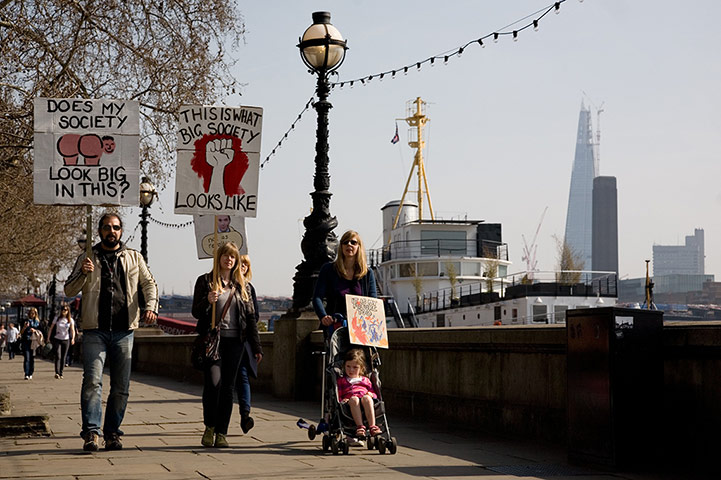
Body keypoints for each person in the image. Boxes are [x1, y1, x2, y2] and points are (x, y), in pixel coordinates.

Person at [65, 212, 158, 452]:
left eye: (116, 227)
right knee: (92, 382)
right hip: (95, 330)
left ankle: (113, 433)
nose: (111, 231)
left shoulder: (134, 257)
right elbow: (68, 290)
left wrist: (151, 307)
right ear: (99, 231)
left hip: (123, 330)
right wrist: (82, 273)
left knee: (121, 386)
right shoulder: (87, 258)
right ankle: (92, 433)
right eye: (107, 227)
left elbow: (148, 283)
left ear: (121, 231)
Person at [192, 242, 262, 448]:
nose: (229, 260)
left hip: (236, 342)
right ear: (219, 258)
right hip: (214, 340)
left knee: (228, 388)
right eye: (225, 256)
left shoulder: (243, 286)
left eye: (233, 257)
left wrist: (256, 347)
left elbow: (250, 318)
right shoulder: (205, 281)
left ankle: (222, 432)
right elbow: (196, 312)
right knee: (213, 384)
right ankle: (209, 427)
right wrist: (208, 300)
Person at [313, 230, 378, 333]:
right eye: (345, 242)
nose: (349, 245)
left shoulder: (367, 273)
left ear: (359, 247)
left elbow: (373, 302)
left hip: (360, 329)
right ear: (341, 246)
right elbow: (317, 297)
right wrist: (323, 316)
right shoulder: (329, 270)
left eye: (353, 242)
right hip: (335, 327)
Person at [235, 254, 261, 434]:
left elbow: (254, 318)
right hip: (225, 340)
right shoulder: (224, 285)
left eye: (246, 264)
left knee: (243, 377)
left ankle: (245, 414)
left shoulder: (249, 289)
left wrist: (256, 347)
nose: (243, 267)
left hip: (243, 342)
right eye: (240, 263)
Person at [337, 348, 381, 438]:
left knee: (367, 398)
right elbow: (338, 393)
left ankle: (372, 426)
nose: (351, 370)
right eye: (348, 367)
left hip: (364, 399)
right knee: (354, 399)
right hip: (350, 401)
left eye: (355, 367)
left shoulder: (365, 380)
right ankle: (360, 426)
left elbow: (374, 393)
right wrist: (342, 400)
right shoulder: (342, 381)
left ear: (361, 368)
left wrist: (370, 394)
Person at [48, 305, 76, 379]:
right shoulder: (57, 319)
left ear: (68, 311)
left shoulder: (70, 320)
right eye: (63, 309)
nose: (64, 311)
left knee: (64, 357)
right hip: (57, 338)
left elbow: (72, 330)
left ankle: (61, 372)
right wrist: (48, 338)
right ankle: (57, 372)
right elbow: (51, 328)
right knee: (58, 355)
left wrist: (73, 338)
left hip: (66, 339)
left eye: (66, 310)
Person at [19, 307, 41, 379]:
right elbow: (21, 333)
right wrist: (25, 327)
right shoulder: (25, 321)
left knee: (32, 358)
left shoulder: (37, 322)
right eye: (31, 313)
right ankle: (26, 373)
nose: (32, 314)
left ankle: (31, 372)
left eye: (33, 313)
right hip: (26, 341)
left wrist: (35, 330)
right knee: (27, 358)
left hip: (34, 342)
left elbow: (41, 332)